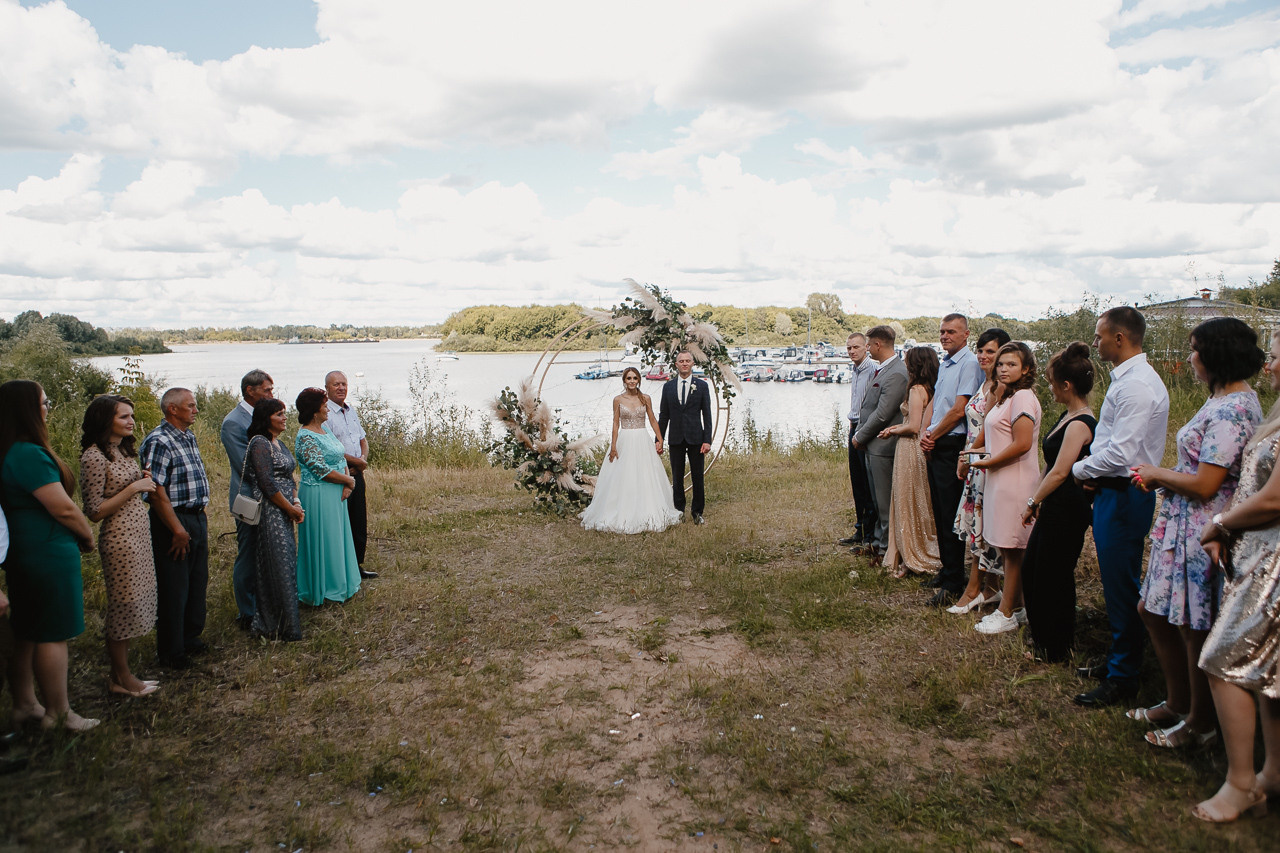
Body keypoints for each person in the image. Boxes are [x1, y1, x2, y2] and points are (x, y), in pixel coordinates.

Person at [1128, 318, 1262, 748]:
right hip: (1183, 520)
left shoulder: (1233, 408)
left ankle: (1199, 721)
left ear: (1215, 354)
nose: (1190, 357)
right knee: (1154, 610)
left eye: (1194, 349)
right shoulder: (1221, 399)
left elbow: (1207, 483)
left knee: (1192, 623)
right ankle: (1177, 701)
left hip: (1205, 523)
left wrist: (1156, 473)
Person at [1193, 329, 1280, 823]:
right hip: (1254, 550)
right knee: (1268, 671)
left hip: (1273, 560)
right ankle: (1273, 774)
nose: (1267, 365)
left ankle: (1240, 782)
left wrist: (1220, 522)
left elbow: (1274, 498)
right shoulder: (1274, 411)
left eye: (1274, 357)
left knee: (1222, 659)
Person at [1071, 307, 1170, 707]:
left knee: (1121, 584)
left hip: (1126, 493)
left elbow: (1121, 454)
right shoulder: (1128, 379)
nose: (1094, 343)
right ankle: (1118, 659)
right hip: (1114, 490)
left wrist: (1078, 468)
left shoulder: (1136, 386)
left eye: (1099, 336)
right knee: (1117, 582)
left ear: (1119, 338)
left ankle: (1124, 675)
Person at [0, 380, 99, 731]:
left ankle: (26, 704)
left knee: (28, 628)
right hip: (46, 550)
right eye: (45, 402)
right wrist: (87, 535)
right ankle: (59, 713)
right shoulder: (28, 454)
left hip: (23, 550)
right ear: (28, 409)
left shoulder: (8, 451)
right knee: (53, 633)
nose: (47, 408)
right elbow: (63, 509)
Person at [1018, 344, 1097, 659]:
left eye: (1052, 383)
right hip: (1052, 505)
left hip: (1067, 509)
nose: (1049, 389)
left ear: (1067, 385)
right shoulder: (1069, 416)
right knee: (1033, 570)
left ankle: (1055, 646)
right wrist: (1037, 499)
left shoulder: (1081, 423)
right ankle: (1043, 638)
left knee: (1054, 575)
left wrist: (1032, 500)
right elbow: (1050, 466)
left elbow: (1062, 471)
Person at [79, 395, 160, 697]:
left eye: (131, 415)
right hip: (119, 540)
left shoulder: (122, 450)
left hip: (138, 534)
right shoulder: (94, 456)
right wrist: (134, 488)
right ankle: (121, 678)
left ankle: (122, 674)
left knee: (135, 602)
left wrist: (140, 478)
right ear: (105, 420)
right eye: (123, 417)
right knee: (122, 607)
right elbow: (95, 510)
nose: (130, 421)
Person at [970, 342, 1042, 635]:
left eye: (1011, 364)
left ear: (1026, 369)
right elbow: (993, 434)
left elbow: (1022, 444)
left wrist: (987, 463)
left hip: (1015, 479)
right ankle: (1022, 606)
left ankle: (1006, 612)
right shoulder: (1005, 396)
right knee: (1007, 546)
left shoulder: (1024, 397)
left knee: (1014, 549)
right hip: (1000, 478)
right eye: (1000, 364)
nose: (1003, 369)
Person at [140, 388, 211, 671]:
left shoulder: (187, 436)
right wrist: (177, 529)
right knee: (174, 585)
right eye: (190, 406)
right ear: (172, 409)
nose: (195, 410)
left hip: (196, 516)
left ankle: (189, 637)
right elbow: (155, 491)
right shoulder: (159, 440)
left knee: (196, 579)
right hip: (174, 519)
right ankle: (171, 650)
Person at [919, 314, 985, 607]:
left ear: (966, 334)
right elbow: (937, 403)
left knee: (949, 514)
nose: (945, 336)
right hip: (937, 439)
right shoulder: (946, 363)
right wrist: (926, 431)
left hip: (951, 441)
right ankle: (946, 570)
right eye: (942, 331)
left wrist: (933, 434)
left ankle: (954, 581)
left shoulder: (968, 363)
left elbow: (959, 409)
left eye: (951, 332)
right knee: (939, 510)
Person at [949, 327, 1010, 614]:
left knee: (981, 529)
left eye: (991, 351)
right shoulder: (984, 384)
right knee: (977, 526)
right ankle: (990, 588)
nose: (984, 356)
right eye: (981, 350)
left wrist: (968, 457)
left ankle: (975, 589)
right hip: (973, 459)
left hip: (986, 462)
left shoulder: (1000, 387)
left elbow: (988, 429)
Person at [580, 367, 683, 534]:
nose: (632, 381)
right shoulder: (618, 400)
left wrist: (660, 438)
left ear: (639, 380)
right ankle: (621, 510)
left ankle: (648, 510)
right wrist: (613, 446)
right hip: (625, 439)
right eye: (629, 378)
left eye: (635, 378)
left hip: (642, 439)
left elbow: (652, 419)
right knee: (624, 475)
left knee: (645, 474)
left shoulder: (646, 398)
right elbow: (615, 423)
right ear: (624, 381)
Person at [294, 388, 361, 605]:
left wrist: (347, 484)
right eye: (324, 405)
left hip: (337, 493)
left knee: (337, 537)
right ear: (314, 411)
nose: (327, 409)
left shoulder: (324, 430)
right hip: (318, 494)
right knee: (324, 538)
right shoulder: (305, 436)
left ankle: (341, 582)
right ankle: (323, 588)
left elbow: (339, 456)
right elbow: (319, 469)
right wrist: (348, 480)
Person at [244, 398, 304, 640]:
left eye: (284, 413)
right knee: (276, 562)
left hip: (287, 507)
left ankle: (289, 620)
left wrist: (296, 502)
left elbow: (289, 477)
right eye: (279, 414)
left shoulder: (279, 444)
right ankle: (273, 624)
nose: (284, 418)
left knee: (287, 560)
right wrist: (288, 508)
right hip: (271, 511)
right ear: (266, 418)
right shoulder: (259, 443)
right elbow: (266, 483)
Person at [879, 346, 942, 578]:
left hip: (910, 447)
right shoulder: (932, 388)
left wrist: (892, 430)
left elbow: (914, 426)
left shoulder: (916, 390)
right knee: (920, 498)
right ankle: (913, 547)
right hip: (919, 447)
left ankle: (911, 552)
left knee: (907, 498)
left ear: (915, 365)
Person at [220, 369, 274, 630]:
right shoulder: (234, 422)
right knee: (249, 553)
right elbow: (245, 464)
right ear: (250, 391)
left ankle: (266, 604)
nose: (271, 395)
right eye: (267, 390)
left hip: (270, 494)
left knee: (266, 551)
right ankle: (247, 611)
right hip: (249, 497)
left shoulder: (260, 417)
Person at [851, 326, 908, 562]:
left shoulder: (896, 372)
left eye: (869, 344)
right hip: (873, 446)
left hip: (883, 447)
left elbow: (883, 413)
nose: (867, 348)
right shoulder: (885, 369)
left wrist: (859, 435)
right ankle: (876, 541)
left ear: (877, 345)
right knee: (875, 499)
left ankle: (886, 549)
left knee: (885, 502)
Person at [325, 371, 377, 580]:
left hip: (357, 475)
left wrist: (362, 460)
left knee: (358, 521)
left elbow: (362, 439)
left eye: (344, 384)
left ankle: (356, 565)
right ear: (327, 388)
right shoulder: (324, 414)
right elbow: (329, 448)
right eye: (336, 384)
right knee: (341, 523)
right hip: (339, 476)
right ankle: (341, 568)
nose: (341, 388)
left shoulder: (350, 410)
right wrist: (355, 462)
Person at [658, 351, 714, 524]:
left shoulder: (702, 386)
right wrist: (658, 440)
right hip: (675, 438)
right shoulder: (668, 387)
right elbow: (664, 415)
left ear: (692, 364)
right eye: (681, 361)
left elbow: (707, 415)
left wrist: (707, 440)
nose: (684, 364)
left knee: (698, 476)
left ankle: (697, 512)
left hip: (696, 438)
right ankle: (679, 510)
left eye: (687, 361)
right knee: (677, 476)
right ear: (676, 365)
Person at [838, 332, 879, 549]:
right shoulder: (855, 370)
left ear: (866, 347)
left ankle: (870, 533)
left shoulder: (873, 369)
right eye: (849, 348)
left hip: (865, 428)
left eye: (856, 347)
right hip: (853, 425)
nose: (852, 351)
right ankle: (860, 529)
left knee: (866, 481)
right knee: (857, 481)